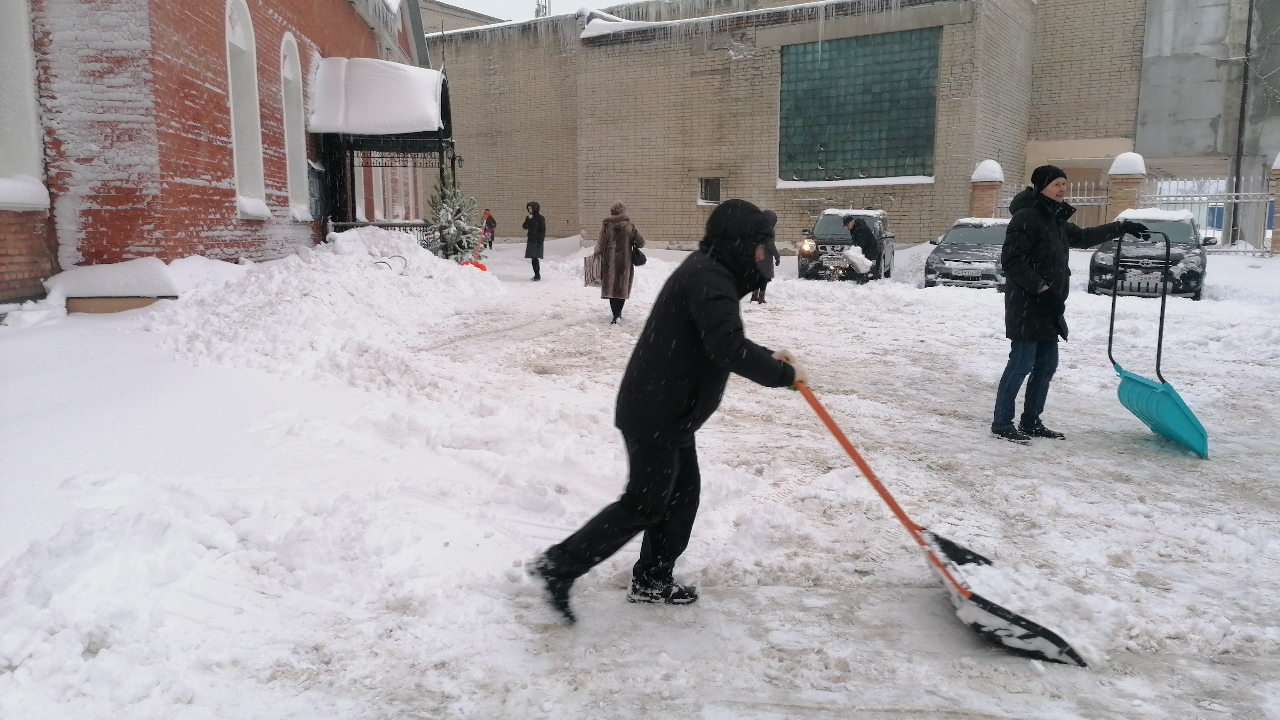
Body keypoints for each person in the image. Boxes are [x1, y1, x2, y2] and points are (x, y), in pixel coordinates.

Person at [528, 199, 810, 623]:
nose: (764, 255)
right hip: (657, 413)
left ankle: (652, 579)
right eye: (760, 244)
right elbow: (726, 347)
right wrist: (782, 375)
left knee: (681, 499)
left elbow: (719, 339)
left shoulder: (712, 273)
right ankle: (559, 565)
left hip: (669, 411)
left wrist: (774, 358)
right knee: (644, 504)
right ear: (738, 243)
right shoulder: (710, 279)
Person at [992, 165, 1149, 444]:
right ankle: (1002, 422)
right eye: (1056, 184)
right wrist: (1041, 286)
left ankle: (1031, 421)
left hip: (1049, 305)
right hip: (1027, 303)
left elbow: (1085, 237)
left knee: (1047, 364)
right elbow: (1012, 261)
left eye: (1064, 184)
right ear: (1041, 187)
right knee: (1021, 363)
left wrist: (1121, 227)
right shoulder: (1026, 218)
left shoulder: (1055, 219)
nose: (1062, 189)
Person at [596, 202, 645, 324]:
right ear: (623, 211)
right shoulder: (630, 226)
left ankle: (615, 314)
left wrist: (597, 253)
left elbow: (601, 245)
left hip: (610, 262)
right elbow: (641, 242)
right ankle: (619, 314)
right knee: (622, 287)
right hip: (625, 261)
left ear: (612, 212)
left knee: (611, 287)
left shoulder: (606, 226)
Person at [751, 210, 780, 303]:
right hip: (765, 257)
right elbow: (770, 245)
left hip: (755, 257)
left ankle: (754, 295)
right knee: (764, 278)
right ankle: (761, 297)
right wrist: (777, 256)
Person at [842, 215, 879, 281]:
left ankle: (869, 280)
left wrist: (855, 252)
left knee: (866, 265)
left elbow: (860, 244)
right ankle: (863, 278)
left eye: (847, 225)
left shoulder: (861, 229)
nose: (847, 228)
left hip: (870, 249)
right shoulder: (854, 228)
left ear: (852, 222)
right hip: (865, 248)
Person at [522, 202, 546, 281]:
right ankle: (536, 275)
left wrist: (541, 241)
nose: (530, 210)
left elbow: (543, 230)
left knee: (535, 258)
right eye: (528, 209)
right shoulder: (529, 217)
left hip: (537, 240)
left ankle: (537, 275)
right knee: (533, 258)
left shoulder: (540, 218)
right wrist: (528, 219)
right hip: (531, 240)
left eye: (531, 208)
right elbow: (524, 227)